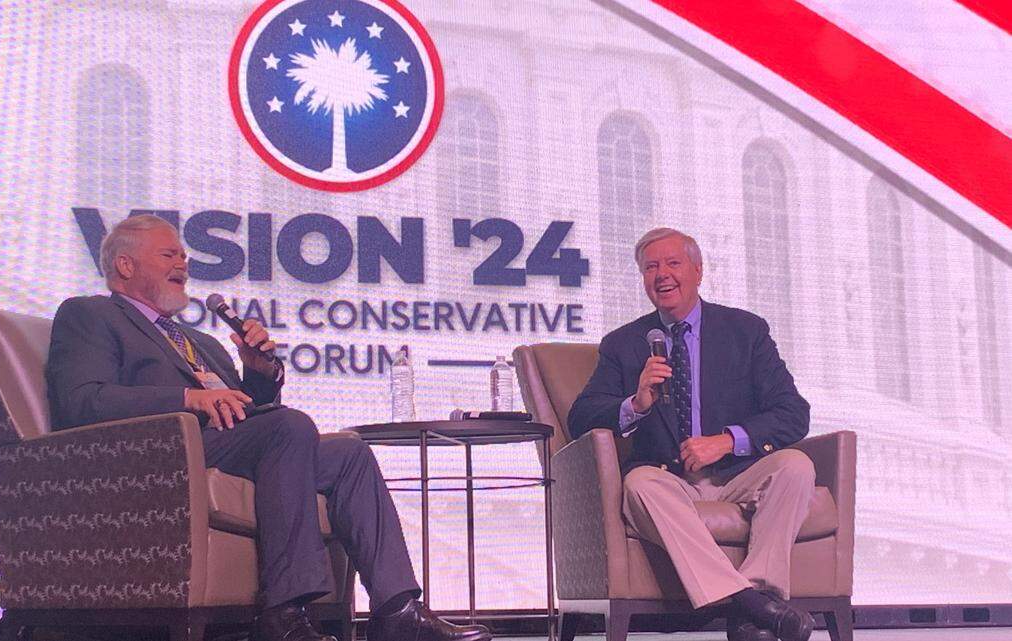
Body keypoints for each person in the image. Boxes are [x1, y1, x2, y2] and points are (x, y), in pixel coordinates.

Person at [46, 214, 491, 641]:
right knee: (290, 426)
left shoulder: (198, 340)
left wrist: (257, 372)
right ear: (125, 265)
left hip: (226, 445)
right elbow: (82, 400)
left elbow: (250, 414)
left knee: (348, 452)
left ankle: (398, 613)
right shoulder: (91, 315)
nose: (183, 263)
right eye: (168, 255)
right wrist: (187, 397)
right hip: (164, 453)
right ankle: (283, 613)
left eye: (184, 255)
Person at [567, 228, 816, 641]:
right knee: (640, 484)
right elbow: (581, 418)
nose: (661, 274)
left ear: (698, 271)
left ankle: (755, 596)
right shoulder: (624, 344)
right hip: (668, 480)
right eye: (650, 267)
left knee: (796, 466)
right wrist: (636, 404)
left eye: (672, 263)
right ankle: (755, 608)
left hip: (736, 474)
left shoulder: (746, 331)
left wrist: (728, 440)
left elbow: (793, 413)